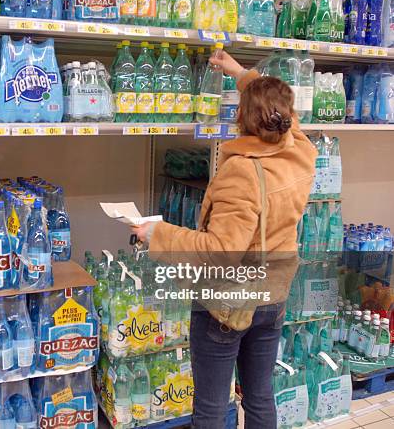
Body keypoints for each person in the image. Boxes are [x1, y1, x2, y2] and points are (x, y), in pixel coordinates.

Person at [132, 51, 317, 429]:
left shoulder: (243, 172)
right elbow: (285, 115)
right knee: (260, 394)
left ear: (240, 117)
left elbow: (218, 252)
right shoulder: (301, 150)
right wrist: (242, 74)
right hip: (274, 295)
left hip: (229, 305)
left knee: (213, 407)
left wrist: (157, 233)